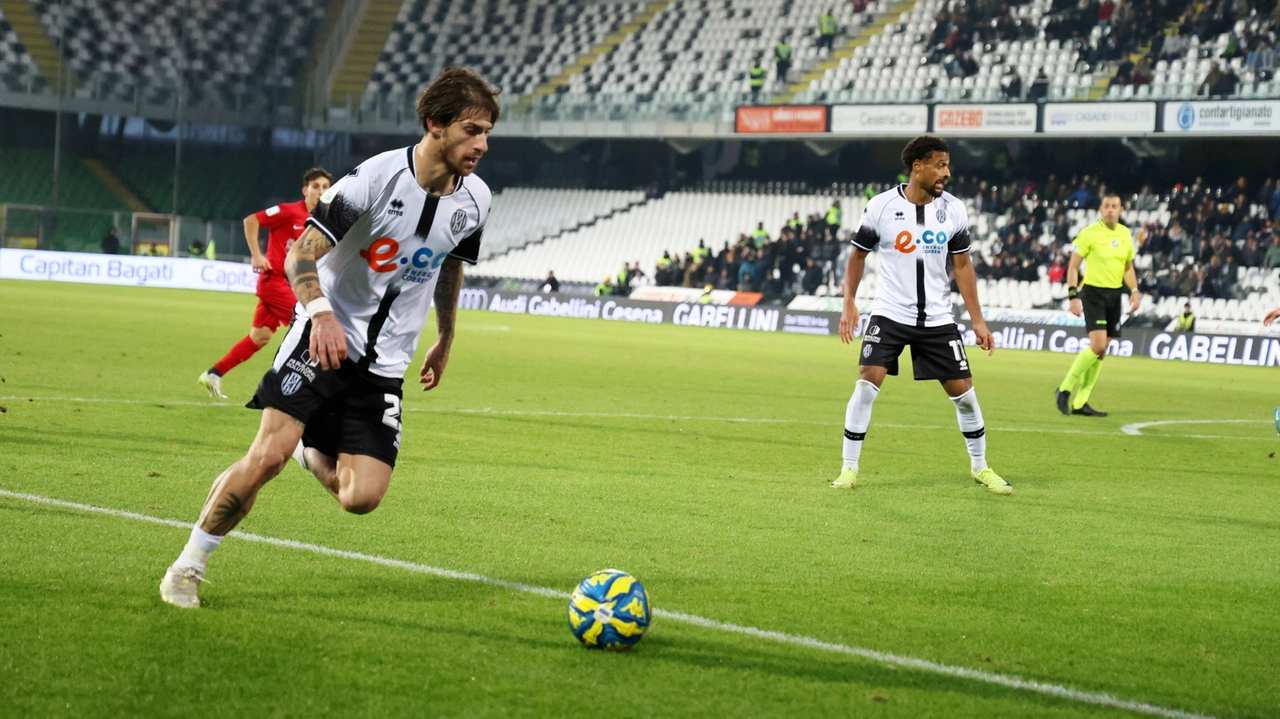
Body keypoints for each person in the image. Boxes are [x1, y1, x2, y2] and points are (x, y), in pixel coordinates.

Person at [159, 67, 498, 609]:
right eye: (471, 130)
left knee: (361, 498)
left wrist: (447, 335)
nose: (481, 144)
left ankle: (305, 448)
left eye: (486, 133)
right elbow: (300, 254)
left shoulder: (477, 200)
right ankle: (187, 566)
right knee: (266, 455)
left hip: (387, 361)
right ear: (434, 125)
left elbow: (452, 262)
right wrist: (319, 314)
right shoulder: (370, 181)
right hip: (322, 338)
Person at [835, 135, 1010, 495]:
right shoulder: (880, 206)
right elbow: (857, 256)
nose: (947, 172)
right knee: (867, 385)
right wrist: (849, 302)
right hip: (889, 313)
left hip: (937, 319)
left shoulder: (954, 209)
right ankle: (848, 469)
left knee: (964, 395)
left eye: (947, 165)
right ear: (918, 167)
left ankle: (982, 468)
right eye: (940, 165)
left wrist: (978, 320)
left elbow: (962, 265)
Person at [197, 168, 333, 399]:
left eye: (325, 187)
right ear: (305, 190)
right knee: (309, 324)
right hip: (275, 282)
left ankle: (213, 374)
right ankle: (298, 388)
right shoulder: (289, 211)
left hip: (291, 284)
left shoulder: (324, 220)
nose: (320, 191)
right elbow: (252, 219)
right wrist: (257, 255)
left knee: (260, 337)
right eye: (315, 186)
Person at [1055, 193, 1140, 418]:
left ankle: (1081, 402)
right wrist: (1073, 296)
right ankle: (1064, 389)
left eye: (1114, 206)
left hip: (1115, 295)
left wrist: (1134, 290)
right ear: (1101, 209)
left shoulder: (1124, 234)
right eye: (1106, 206)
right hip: (1093, 293)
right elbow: (1073, 268)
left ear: (1121, 209)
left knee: (1102, 352)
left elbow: (1128, 267)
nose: (1110, 210)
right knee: (1098, 345)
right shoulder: (1089, 234)